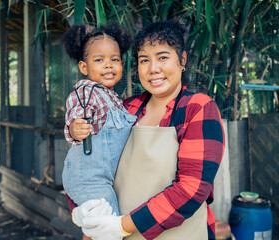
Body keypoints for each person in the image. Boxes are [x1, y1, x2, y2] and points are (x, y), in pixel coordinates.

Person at [69, 20, 225, 240]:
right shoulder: (124, 110)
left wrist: (123, 226)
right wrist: (88, 215)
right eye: (144, 60)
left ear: (182, 60)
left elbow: (191, 189)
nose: (153, 69)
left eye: (162, 57)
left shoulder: (197, 108)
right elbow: (88, 163)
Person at [61, 23, 136, 237]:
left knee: (98, 231)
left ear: (122, 64)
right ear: (84, 68)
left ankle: (84, 218)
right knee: (110, 231)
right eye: (99, 60)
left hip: (102, 178)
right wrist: (76, 128)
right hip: (89, 179)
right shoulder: (87, 91)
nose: (108, 65)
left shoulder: (112, 97)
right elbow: (75, 114)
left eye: (114, 59)